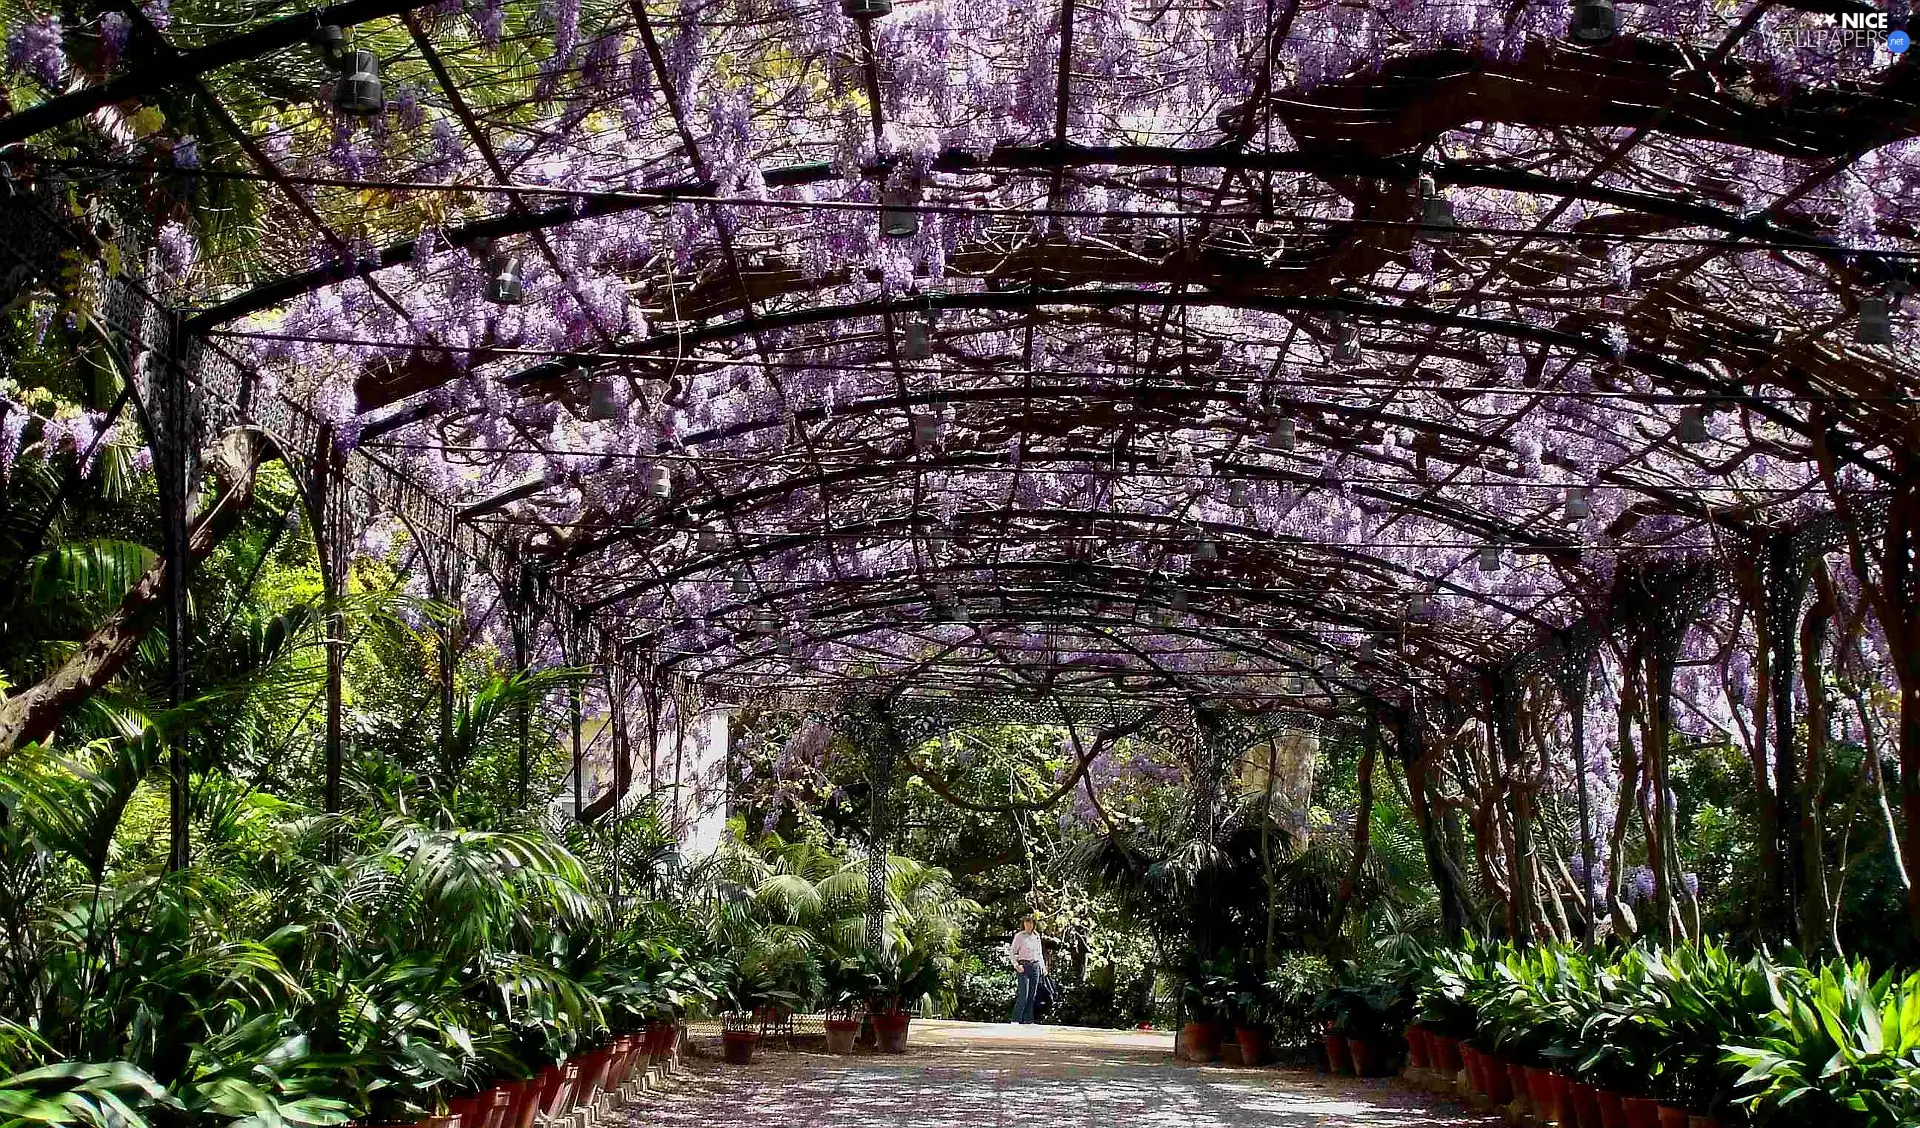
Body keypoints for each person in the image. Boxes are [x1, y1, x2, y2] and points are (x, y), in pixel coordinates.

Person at [1007, 916, 1046, 1024]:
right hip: (1023, 966)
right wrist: (1016, 965)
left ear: (1034, 924)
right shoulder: (1020, 936)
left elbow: (1039, 953)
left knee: (1032, 995)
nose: (1028, 926)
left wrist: (1043, 967)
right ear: (1023, 924)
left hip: (1035, 966)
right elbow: (1012, 952)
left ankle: (1028, 1020)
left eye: (1030, 923)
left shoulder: (1036, 936)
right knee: (1023, 995)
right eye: (1026, 923)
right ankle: (1015, 1020)